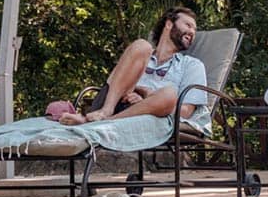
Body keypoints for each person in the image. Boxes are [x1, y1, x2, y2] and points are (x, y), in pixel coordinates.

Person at [59, 7, 212, 135]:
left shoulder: (192, 65)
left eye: (195, 29)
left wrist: (147, 97)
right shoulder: (139, 55)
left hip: (151, 112)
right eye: (188, 25)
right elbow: (117, 83)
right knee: (141, 45)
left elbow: (185, 112)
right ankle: (105, 112)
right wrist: (135, 90)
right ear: (169, 24)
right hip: (115, 103)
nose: (192, 32)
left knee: (169, 94)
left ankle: (102, 122)